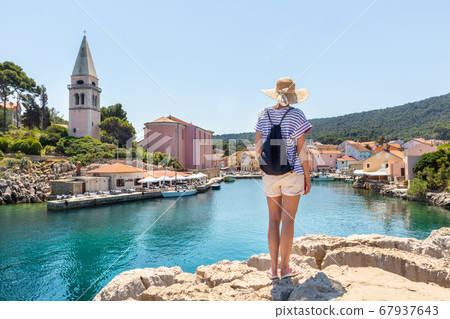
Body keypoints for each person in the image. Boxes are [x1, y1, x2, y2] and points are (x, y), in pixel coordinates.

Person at [254, 77, 312, 280]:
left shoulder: (263, 114)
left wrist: (264, 168)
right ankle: (285, 268)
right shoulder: (296, 115)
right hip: (292, 173)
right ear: (293, 96)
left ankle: (272, 269)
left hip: (269, 174)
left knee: (272, 219)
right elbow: (301, 149)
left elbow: (258, 147)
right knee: (288, 220)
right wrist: (307, 175)